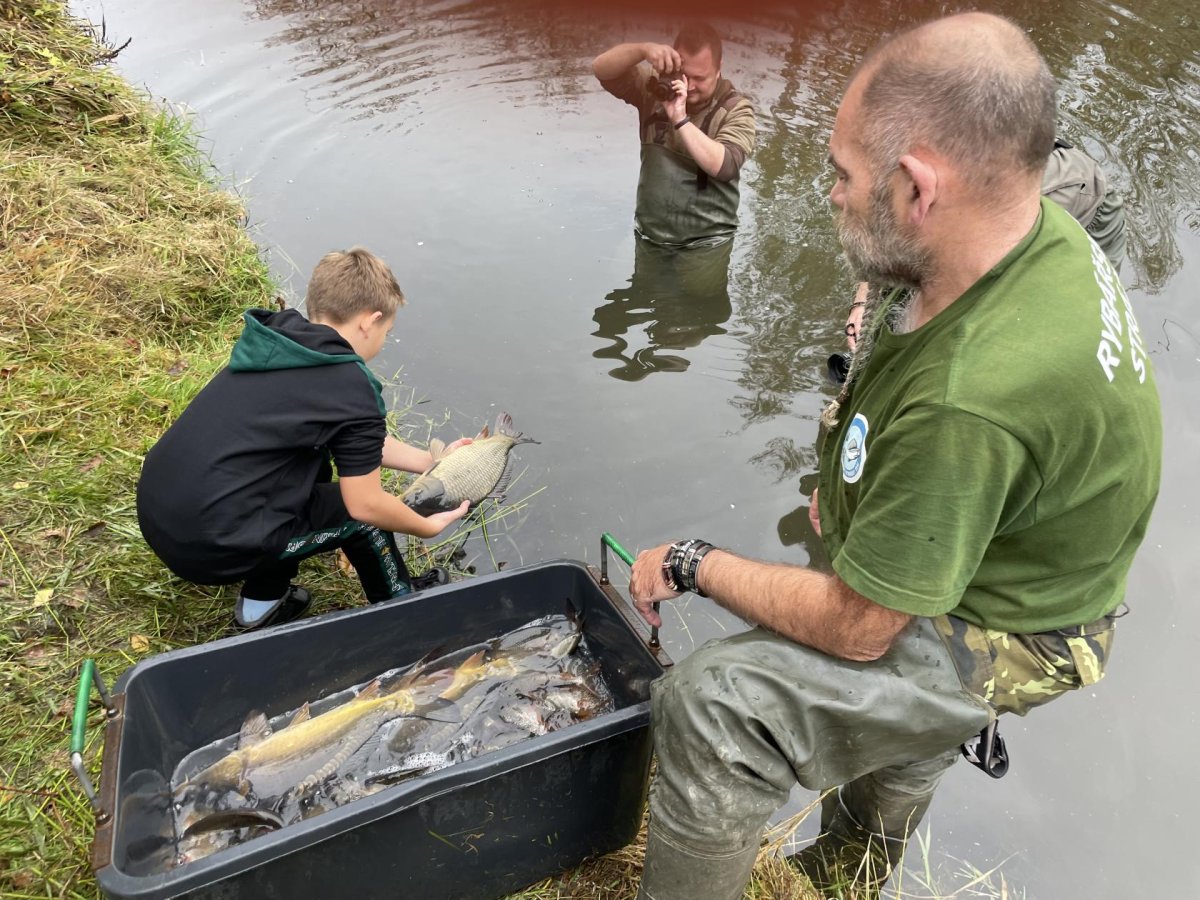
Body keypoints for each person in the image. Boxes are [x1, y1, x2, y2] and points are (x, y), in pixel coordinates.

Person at [627, 12, 1161, 900]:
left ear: (918, 189)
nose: (831, 195)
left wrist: (694, 561)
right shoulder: (1022, 222)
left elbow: (860, 626)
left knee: (715, 704)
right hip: (1013, 538)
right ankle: (852, 869)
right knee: (891, 698)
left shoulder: (971, 400)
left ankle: (851, 840)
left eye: (844, 176)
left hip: (1021, 622)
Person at [137, 248, 470, 630]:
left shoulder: (281, 343)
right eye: (387, 332)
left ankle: (262, 602)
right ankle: (404, 608)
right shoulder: (350, 385)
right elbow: (366, 506)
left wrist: (429, 462)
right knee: (366, 520)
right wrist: (425, 526)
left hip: (161, 516)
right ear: (370, 321)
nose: (382, 342)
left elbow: (360, 442)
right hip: (211, 546)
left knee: (310, 464)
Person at [837, 137, 1127, 364]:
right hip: (992, 174)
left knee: (1034, 327)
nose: (835, 194)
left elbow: (956, 287)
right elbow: (881, 234)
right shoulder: (895, 164)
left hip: (1074, 197)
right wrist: (863, 303)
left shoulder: (983, 218)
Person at [593, 22, 757, 249]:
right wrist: (643, 50)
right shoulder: (656, 89)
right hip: (651, 236)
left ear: (718, 69)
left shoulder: (736, 109)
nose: (689, 87)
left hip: (706, 244)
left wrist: (680, 119)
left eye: (700, 78)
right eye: (685, 76)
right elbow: (602, 70)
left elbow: (726, 166)